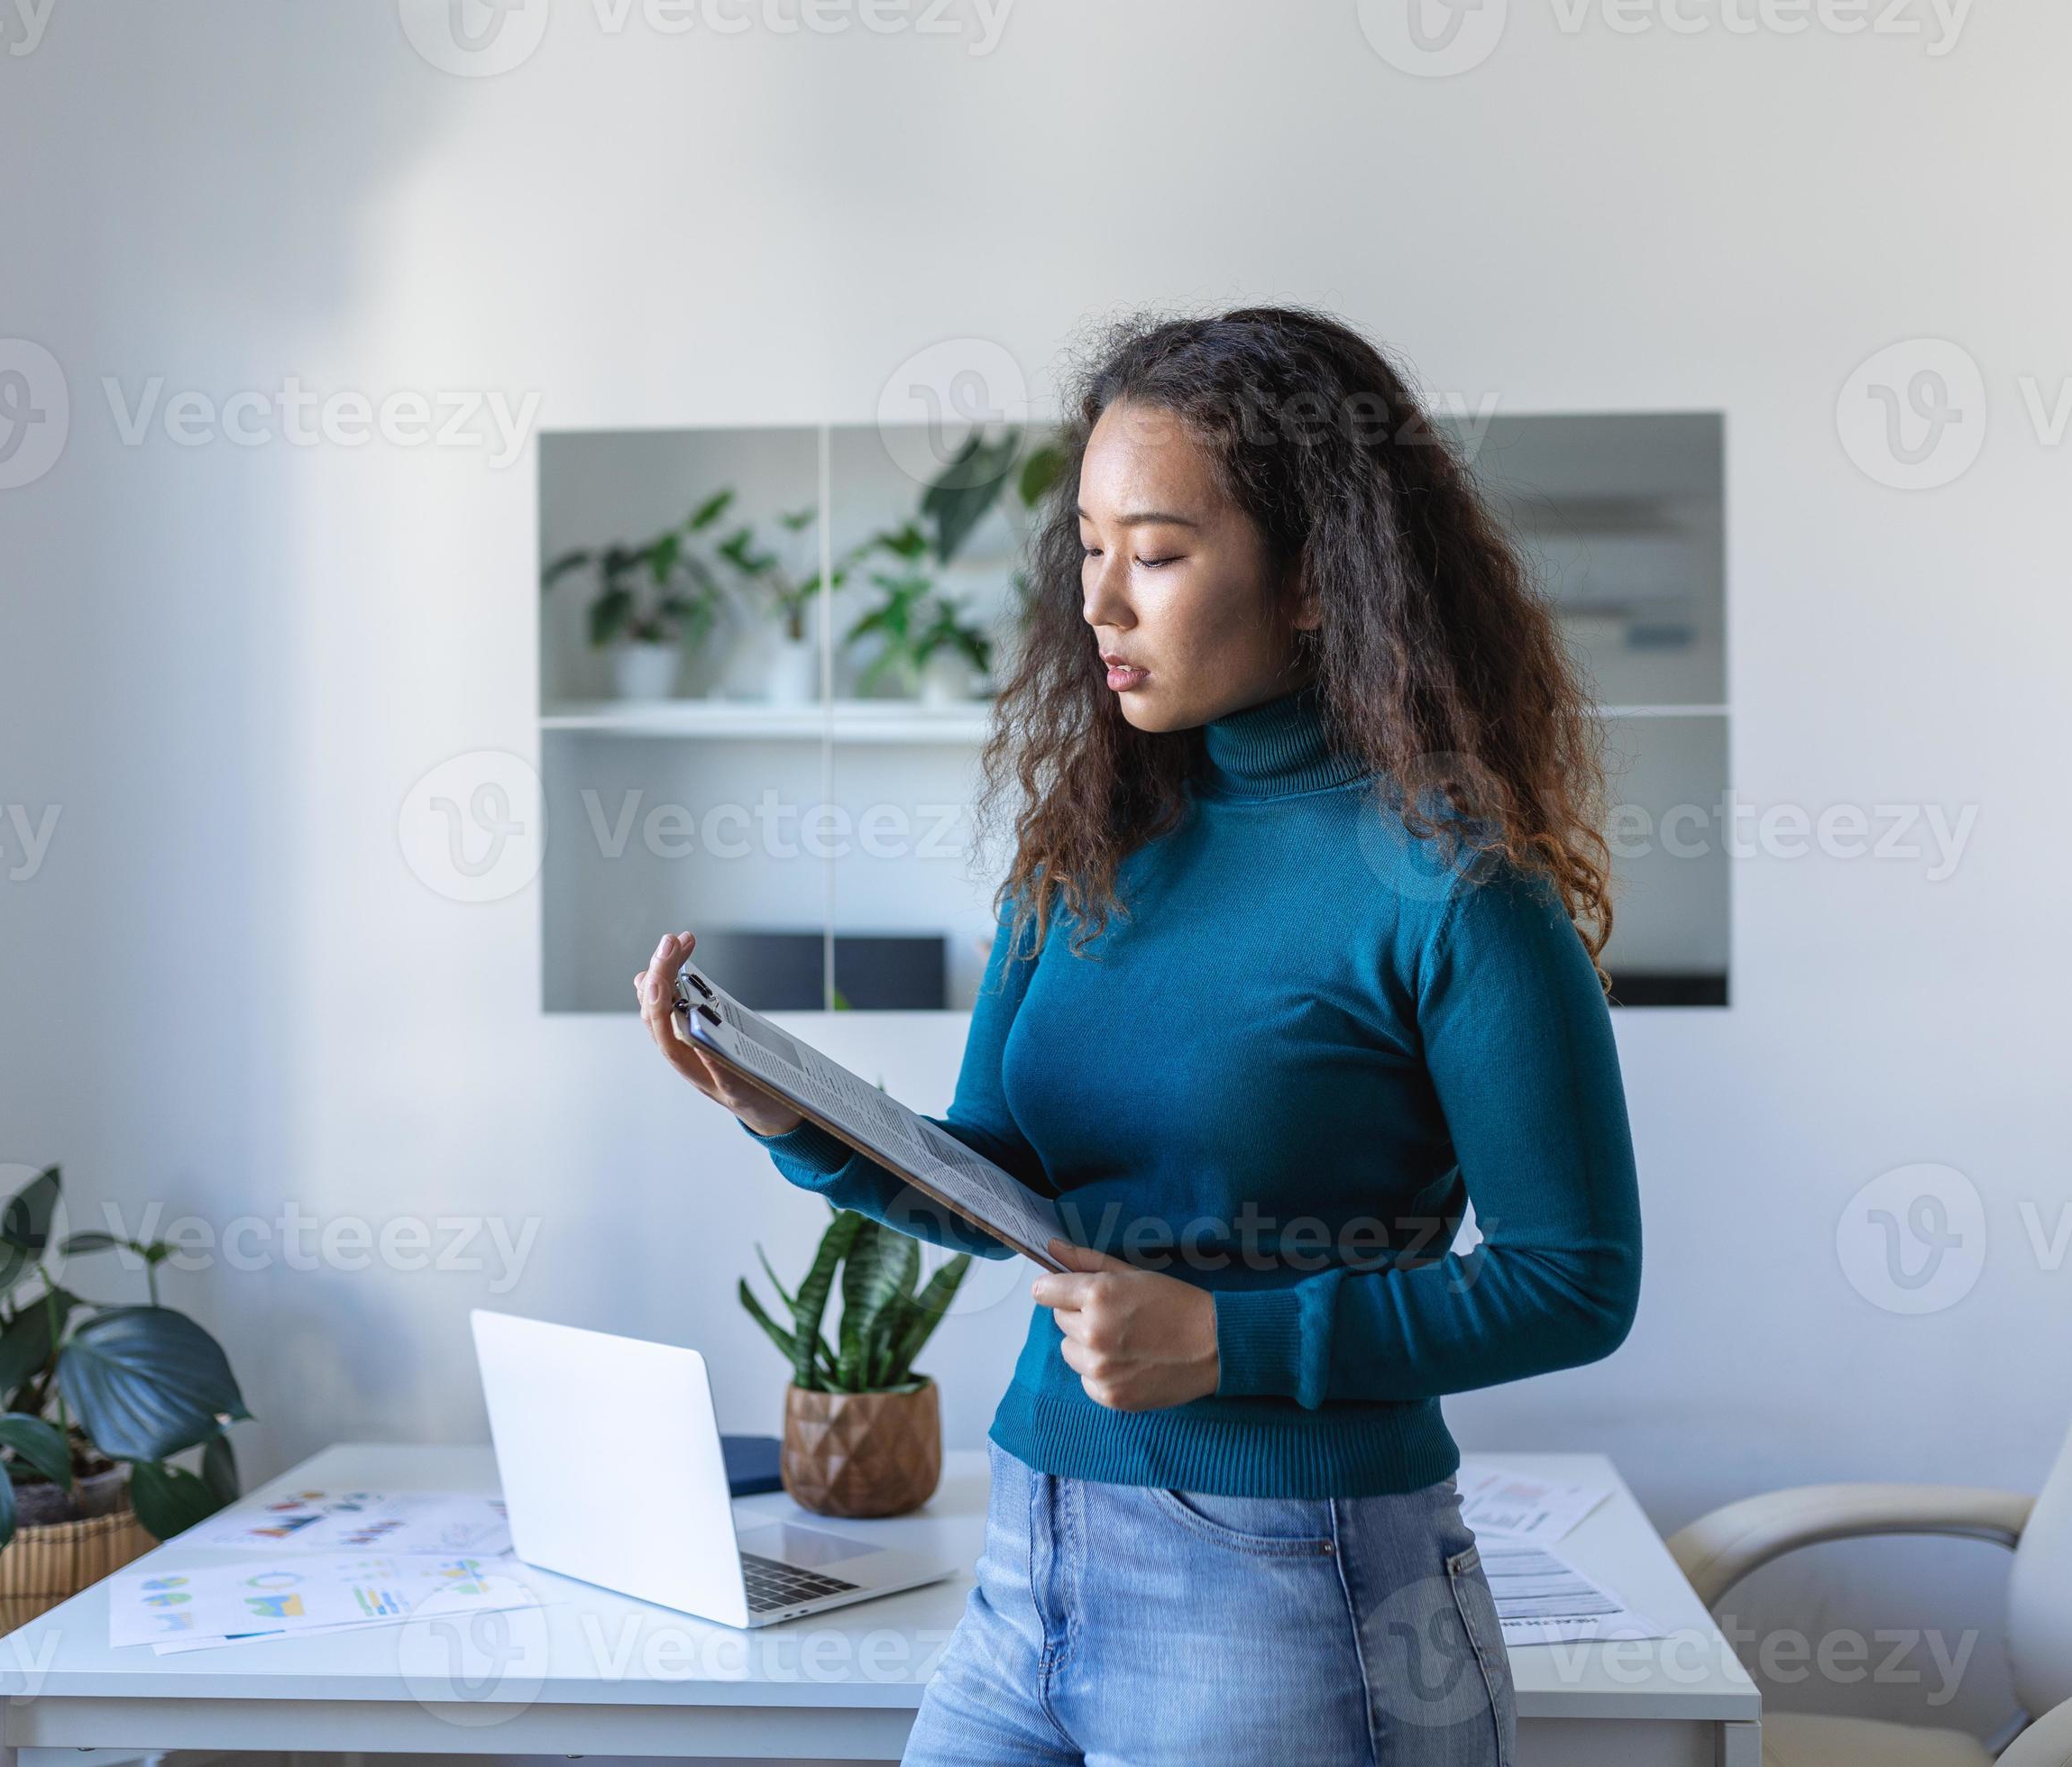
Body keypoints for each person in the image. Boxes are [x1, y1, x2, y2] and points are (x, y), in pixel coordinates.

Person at [637, 306, 1641, 1765]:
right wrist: (788, 1114)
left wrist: (1227, 1340)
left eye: (1159, 555)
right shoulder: (1087, 847)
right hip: (1031, 1552)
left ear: (1311, 581)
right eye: (1091, 549)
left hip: (1296, 1591)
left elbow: (1575, 1281)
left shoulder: (1452, 890)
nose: (1101, 604)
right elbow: (996, 1180)